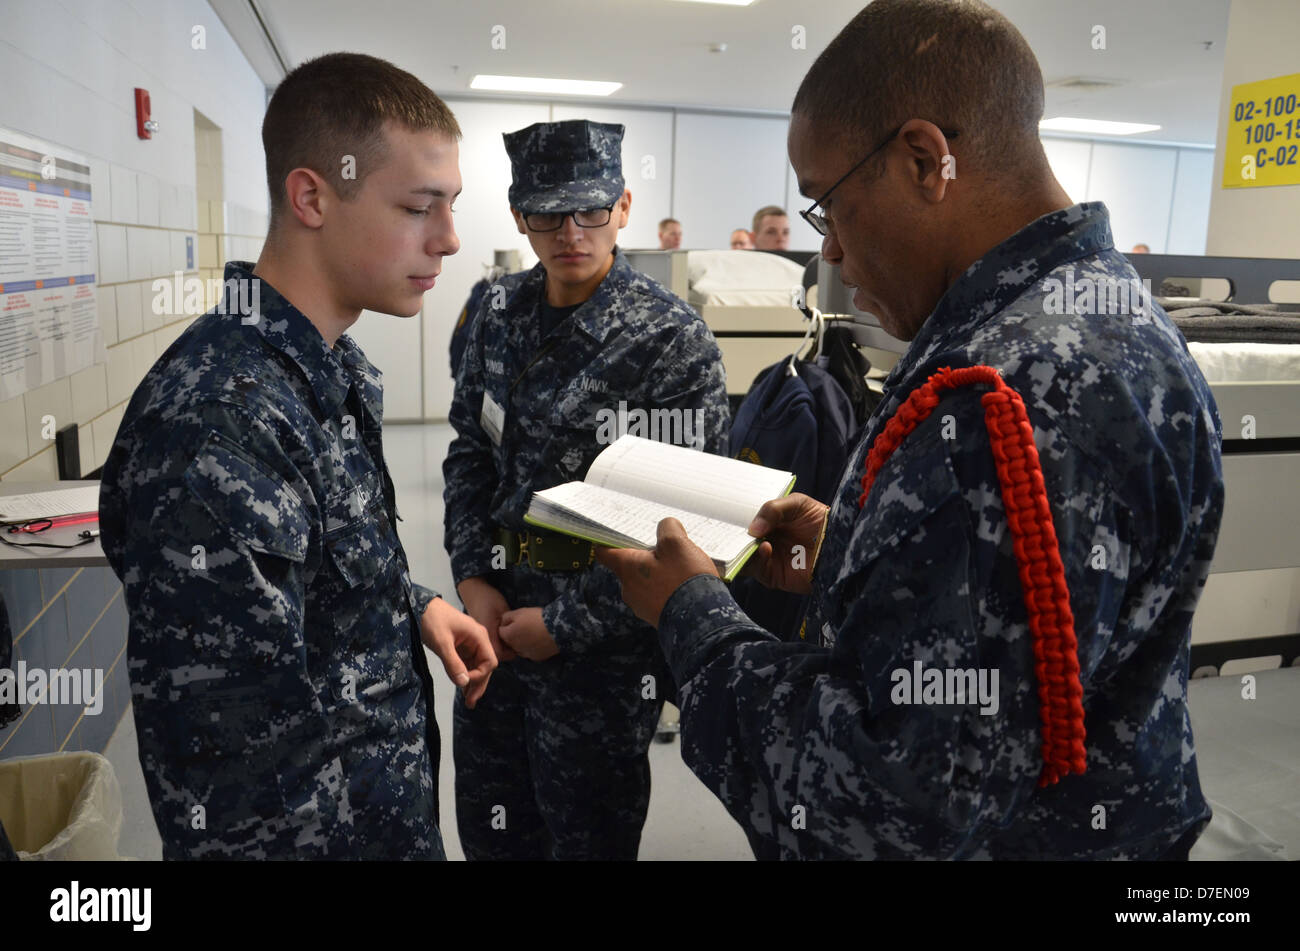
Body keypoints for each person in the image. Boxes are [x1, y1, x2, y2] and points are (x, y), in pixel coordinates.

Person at [598, 0, 1223, 861]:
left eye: (828, 207)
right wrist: (854, 552)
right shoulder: (1109, 318)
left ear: (928, 161)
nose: (835, 257)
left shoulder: (1002, 397)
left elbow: (884, 808)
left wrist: (692, 615)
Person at [99, 53, 496, 860]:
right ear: (312, 195)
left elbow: (315, 558)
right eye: (421, 207)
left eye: (452, 206)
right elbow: (245, 787)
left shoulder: (321, 370)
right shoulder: (220, 428)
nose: (450, 240)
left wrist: (413, 603)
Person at [444, 119, 729, 860]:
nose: (571, 231)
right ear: (519, 218)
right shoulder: (496, 314)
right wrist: (473, 576)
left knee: (588, 839)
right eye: (547, 212)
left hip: (598, 659)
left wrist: (563, 624)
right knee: (494, 830)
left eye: (592, 209)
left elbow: (686, 528)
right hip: (493, 631)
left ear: (624, 207)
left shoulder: (670, 340)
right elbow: (469, 451)